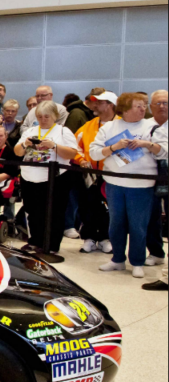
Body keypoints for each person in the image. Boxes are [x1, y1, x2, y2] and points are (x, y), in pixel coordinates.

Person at [91, 93, 168, 279]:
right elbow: (94, 153)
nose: (143, 109)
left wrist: (147, 144)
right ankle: (117, 259)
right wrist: (114, 147)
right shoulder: (109, 127)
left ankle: (137, 261)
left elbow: (164, 152)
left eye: (144, 106)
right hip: (114, 183)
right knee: (116, 223)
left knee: (138, 225)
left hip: (142, 185)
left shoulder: (153, 126)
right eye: (138, 106)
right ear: (124, 109)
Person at [14, 100, 80, 254]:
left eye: (47, 117)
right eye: (40, 117)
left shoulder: (63, 131)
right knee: (32, 211)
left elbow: (72, 153)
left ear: (55, 116)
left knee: (54, 213)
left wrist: (54, 146)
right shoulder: (29, 131)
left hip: (54, 179)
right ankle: (35, 241)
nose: (43, 120)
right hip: (29, 177)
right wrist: (25, 145)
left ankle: (51, 245)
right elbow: (17, 152)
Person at [74, 91, 118, 255]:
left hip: (113, 175)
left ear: (110, 105)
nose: (95, 105)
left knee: (109, 209)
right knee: (88, 206)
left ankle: (106, 238)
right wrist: (80, 159)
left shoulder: (121, 124)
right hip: (91, 175)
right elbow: (75, 145)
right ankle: (89, 238)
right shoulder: (89, 125)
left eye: (100, 102)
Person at [145, 90, 168, 267]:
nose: (162, 106)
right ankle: (156, 252)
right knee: (151, 215)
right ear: (151, 106)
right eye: (158, 103)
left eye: (165, 103)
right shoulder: (143, 126)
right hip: (148, 176)